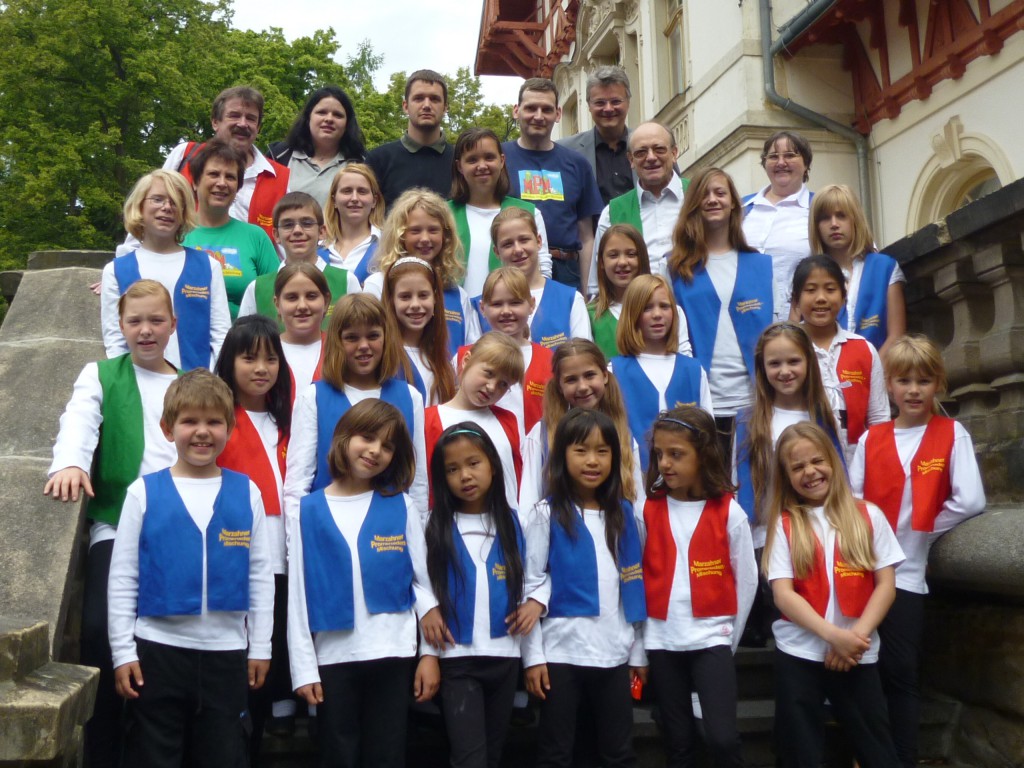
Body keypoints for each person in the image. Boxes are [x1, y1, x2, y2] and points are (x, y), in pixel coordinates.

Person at [107, 369, 274, 768]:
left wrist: (262, 646)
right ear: (168, 429)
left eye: (214, 421)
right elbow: (123, 577)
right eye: (190, 421)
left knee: (224, 755)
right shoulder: (143, 492)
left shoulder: (246, 491)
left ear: (229, 428)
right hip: (157, 653)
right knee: (153, 756)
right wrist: (122, 652)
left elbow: (260, 575)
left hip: (226, 654)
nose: (202, 432)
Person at [45, 280, 179, 768]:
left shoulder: (188, 380)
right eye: (135, 322)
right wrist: (70, 462)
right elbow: (79, 419)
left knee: (162, 637)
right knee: (101, 628)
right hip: (117, 525)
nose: (145, 331)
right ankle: (103, 747)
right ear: (120, 326)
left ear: (172, 325)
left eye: (156, 321)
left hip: (175, 531)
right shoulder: (101, 374)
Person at [851, 335, 986, 768]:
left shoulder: (951, 433)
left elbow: (970, 500)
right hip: (862, 571)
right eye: (903, 380)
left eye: (923, 381)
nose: (913, 390)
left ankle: (903, 759)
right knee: (861, 670)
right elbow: (852, 499)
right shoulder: (873, 438)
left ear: (938, 385)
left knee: (902, 672)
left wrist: (923, 532)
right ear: (888, 386)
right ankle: (869, 754)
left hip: (908, 573)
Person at [286, 399, 441, 768]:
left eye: (387, 446)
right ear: (343, 438)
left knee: (386, 753)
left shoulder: (401, 506)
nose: (375, 451)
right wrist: (304, 669)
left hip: (392, 652)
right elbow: (297, 599)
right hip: (334, 656)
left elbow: (422, 583)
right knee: (338, 753)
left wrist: (429, 655)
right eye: (368, 438)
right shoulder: (307, 511)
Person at [764, 422, 903, 768]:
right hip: (800, 652)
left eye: (817, 461)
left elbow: (885, 585)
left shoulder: (868, 515)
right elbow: (783, 595)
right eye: (797, 467)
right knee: (801, 752)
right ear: (786, 475)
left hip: (857, 651)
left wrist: (854, 637)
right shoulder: (784, 524)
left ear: (834, 461)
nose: (810, 472)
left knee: (876, 748)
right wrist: (832, 637)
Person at [521, 408, 647, 768]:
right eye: (581, 450)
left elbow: (632, 587)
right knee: (556, 752)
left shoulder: (624, 516)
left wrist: (637, 654)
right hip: (561, 655)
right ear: (562, 455)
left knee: (617, 752)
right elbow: (531, 585)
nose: (592, 461)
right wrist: (534, 658)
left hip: (614, 654)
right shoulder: (546, 515)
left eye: (602, 451)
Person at [640, 406, 757, 768]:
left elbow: (747, 579)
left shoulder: (729, 512)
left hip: (711, 637)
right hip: (662, 640)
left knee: (722, 739)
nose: (665, 464)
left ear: (703, 454)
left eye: (676, 454)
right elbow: (639, 573)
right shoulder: (646, 509)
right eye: (659, 454)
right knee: (678, 742)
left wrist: (728, 637)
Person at [422, 423, 542, 768]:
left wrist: (537, 601)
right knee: (470, 759)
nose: (465, 476)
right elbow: (420, 585)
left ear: (492, 463)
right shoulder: (431, 525)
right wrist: (428, 653)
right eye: (452, 469)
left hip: (505, 657)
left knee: (493, 754)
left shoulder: (518, 524)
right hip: (456, 659)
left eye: (473, 463)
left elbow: (540, 575)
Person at [213, 316, 294, 751]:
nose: (261, 368)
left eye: (270, 358)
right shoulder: (219, 421)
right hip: (235, 560)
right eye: (249, 358)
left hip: (285, 560)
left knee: (269, 658)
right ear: (230, 362)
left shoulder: (291, 420)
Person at [669, 167, 780, 458]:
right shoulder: (675, 269)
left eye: (720, 193)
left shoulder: (761, 265)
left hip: (754, 402)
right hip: (701, 402)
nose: (713, 200)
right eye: (704, 194)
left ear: (734, 202)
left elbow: (779, 331)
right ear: (693, 204)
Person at [285, 292, 429, 517]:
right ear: (337, 341)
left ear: (386, 337)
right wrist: (297, 545)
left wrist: (418, 536)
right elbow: (297, 484)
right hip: (329, 527)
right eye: (352, 338)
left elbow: (418, 481)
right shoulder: (313, 397)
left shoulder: (410, 397)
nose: (364, 346)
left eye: (373, 336)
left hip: (391, 534)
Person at [101, 169, 231, 370]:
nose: (167, 208)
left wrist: (212, 381)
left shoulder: (208, 266)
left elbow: (221, 335)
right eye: (158, 199)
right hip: (139, 386)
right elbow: (115, 342)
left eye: (175, 202)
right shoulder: (116, 270)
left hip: (197, 388)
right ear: (140, 206)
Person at [734, 323, 844, 549]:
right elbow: (740, 490)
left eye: (793, 361)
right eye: (775, 363)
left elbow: (840, 478)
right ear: (762, 367)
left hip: (821, 536)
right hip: (768, 539)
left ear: (809, 362)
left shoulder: (822, 416)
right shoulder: (748, 421)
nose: (785, 371)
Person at [520, 339, 643, 518]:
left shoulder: (624, 435)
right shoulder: (542, 434)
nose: (583, 387)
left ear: (605, 375)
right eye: (571, 380)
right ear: (559, 386)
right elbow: (528, 505)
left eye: (590, 375)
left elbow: (638, 503)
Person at [503, 78, 604, 292]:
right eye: (530, 108)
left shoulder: (577, 164)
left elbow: (586, 237)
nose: (538, 116)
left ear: (557, 114)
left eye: (546, 109)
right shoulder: (499, 159)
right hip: (512, 267)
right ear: (516, 111)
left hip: (567, 271)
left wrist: (588, 292)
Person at [610, 274, 714, 472]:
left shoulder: (693, 370)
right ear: (632, 314)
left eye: (664, 306)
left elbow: (707, 436)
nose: (657, 314)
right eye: (647, 308)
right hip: (634, 482)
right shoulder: (614, 371)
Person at [792, 256, 888, 464]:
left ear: (844, 297)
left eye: (830, 289)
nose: (821, 298)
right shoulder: (787, 349)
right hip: (802, 463)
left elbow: (879, 418)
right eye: (810, 290)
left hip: (856, 465)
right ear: (795, 300)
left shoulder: (863, 349)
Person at [161, 86, 288, 242]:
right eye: (234, 115)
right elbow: (152, 210)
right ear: (215, 122)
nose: (243, 124)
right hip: (182, 262)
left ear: (258, 127)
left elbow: (284, 247)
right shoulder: (185, 156)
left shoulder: (281, 178)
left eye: (251, 118)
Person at [363, 188, 480, 356]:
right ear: (399, 235)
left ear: (445, 235)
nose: (425, 239)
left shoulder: (458, 294)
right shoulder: (378, 284)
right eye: (415, 231)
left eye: (433, 230)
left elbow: (471, 351)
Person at [426, 332, 525, 512]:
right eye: (488, 373)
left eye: (503, 384)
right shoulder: (430, 420)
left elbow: (515, 480)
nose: (491, 387)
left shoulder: (508, 420)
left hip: (505, 526)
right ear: (466, 361)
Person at [448, 127, 552, 297]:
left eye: (489, 157)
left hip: (513, 315)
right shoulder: (444, 214)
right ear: (460, 166)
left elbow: (543, 269)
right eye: (472, 160)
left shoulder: (529, 212)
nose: (482, 166)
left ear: (502, 161)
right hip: (457, 317)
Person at [182, 139, 280, 319]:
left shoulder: (256, 237)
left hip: (243, 343)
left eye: (230, 177)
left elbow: (277, 301)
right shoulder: (177, 234)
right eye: (213, 174)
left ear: (238, 187)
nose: (222, 183)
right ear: (195, 182)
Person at [587, 121, 687, 295]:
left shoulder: (699, 196)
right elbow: (598, 284)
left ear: (674, 153)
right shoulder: (612, 212)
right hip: (637, 314)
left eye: (659, 149)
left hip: (698, 311)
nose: (650, 157)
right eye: (641, 152)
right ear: (631, 160)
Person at [808, 184, 906, 356]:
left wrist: (869, 374)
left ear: (855, 219)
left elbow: (896, 336)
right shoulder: (808, 273)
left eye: (841, 216)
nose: (834, 224)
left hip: (876, 372)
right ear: (816, 226)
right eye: (825, 218)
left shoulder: (885, 268)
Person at [239, 192, 359, 326]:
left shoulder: (346, 281)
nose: (297, 230)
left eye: (306, 223)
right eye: (288, 225)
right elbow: (243, 342)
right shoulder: (257, 288)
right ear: (276, 235)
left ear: (321, 231)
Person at [484, 206, 591, 347]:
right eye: (508, 244)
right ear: (497, 252)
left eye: (524, 240)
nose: (517, 250)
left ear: (539, 241)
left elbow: (584, 359)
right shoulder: (482, 305)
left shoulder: (570, 300)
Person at [469, 267, 553, 435]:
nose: (506, 311)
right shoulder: (465, 358)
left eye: (515, 303)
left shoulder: (550, 360)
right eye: (497, 304)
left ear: (531, 304)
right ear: (482, 308)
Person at [588, 224, 691, 359]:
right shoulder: (589, 314)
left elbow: (685, 362)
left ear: (642, 258)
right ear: (601, 262)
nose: (623, 262)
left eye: (631, 254)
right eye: (613, 255)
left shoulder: (669, 311)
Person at [741, 130, 814, 317]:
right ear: (765, 164)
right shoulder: (740, 209)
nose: (781, 162)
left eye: (790, 155)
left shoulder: (819, 208)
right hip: (745, 318)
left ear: (806, 164)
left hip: (800, 322)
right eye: (773, 156)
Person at [367, 70, 454, 210]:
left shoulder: (461, 162)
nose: (426, 105)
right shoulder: (378, 160)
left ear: (445, 107)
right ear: (405, 106)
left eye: (434, 99)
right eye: (418, 98)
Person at [268, 86, 367, 207]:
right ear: (308, 117)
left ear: (347, 123)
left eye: (337, 115)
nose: (329, 119)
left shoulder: (362, 163)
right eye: (321, 112)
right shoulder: (280, 156)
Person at [381, 256, 456, 406]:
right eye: (405, 297)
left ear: (435, 298)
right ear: (391, 300)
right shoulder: (383, 357)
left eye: (423, 295)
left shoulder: (443, 360)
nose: (415, 304)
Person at [557, 66, 635, 206]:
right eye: (600, 103)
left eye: (616, 101)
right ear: (589, 105)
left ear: (628, 102)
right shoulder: (565, 152)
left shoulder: (652, 146)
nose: (608, 108)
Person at [322, 163, 384, 283]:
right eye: (347, 191)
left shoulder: (388, 246)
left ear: (374, 201)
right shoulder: (317, 248)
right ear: (334, 200)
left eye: (362, 191)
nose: (354, 198)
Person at [275, 263, 329, 393]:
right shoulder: (268, 350)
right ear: (277, 304)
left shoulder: (340, 348)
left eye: (311, 296)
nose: (302, 306)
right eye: (292, 298)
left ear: (326, 301)